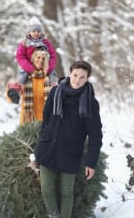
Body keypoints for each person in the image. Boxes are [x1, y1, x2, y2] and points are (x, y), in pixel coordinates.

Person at [34, 61, 103, 218]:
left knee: (66, 192)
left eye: (82, 77)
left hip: (70, 152)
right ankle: (53, 215)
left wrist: (91, 162)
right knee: (46, 188)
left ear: (87, 79)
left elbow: (95, 134)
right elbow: (46, 117)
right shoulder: (55, 92)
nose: (77, 80)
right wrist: (44, 137)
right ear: (70, 73)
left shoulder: (90, 103)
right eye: (75, 75)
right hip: (49, 148)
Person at [16, 16, 58, 91]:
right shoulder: (25, 43)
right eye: (34, 31)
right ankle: (18, 89)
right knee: (23, 74)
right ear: (29, 32)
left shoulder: (45, 42)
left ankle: (54, 87)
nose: (36, 33)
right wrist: (29, 68)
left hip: (44, 65)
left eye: (38, 31)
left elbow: (53, 55)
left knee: (52, 73)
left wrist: (49, 67)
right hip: (30, 66)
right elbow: (20, 56)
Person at [19, 46, 52, 125]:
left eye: (43, 58)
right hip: (27, 122)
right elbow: (14, 97)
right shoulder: (25, 77)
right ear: (33, 58)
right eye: (38, 57)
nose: (40, 60)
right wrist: (11, 91)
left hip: (44, 121)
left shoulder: (50, 78)